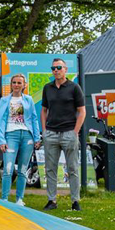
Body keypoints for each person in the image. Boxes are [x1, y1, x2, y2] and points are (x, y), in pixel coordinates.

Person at [40, 57, 86, 211]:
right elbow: (44, 110)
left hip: (69, 133)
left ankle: (75, 201)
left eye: (59, 68)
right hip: (51, 134)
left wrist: (75, 132)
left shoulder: (74, 87)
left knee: (72, 169)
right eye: (53, 68)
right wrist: (44, 131)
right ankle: (51, 200)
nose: (56, 70)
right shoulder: (47, 88)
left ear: (65, 69)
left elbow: (82, 111)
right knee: (50, 169)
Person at [0, 74, 41, 205]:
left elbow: (34, 119)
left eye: (19, 83)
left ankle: (19, 199)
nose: (16, 85)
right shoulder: (4, 100)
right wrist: (1, 140)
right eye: (14, 82)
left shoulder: (29, 100)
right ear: (11, 84)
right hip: (11, 135)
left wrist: (37, 138)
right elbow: (0, 120)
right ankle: (4, 199)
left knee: (22, 170)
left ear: (24, 85)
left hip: (27, 136)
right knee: (8, 169)